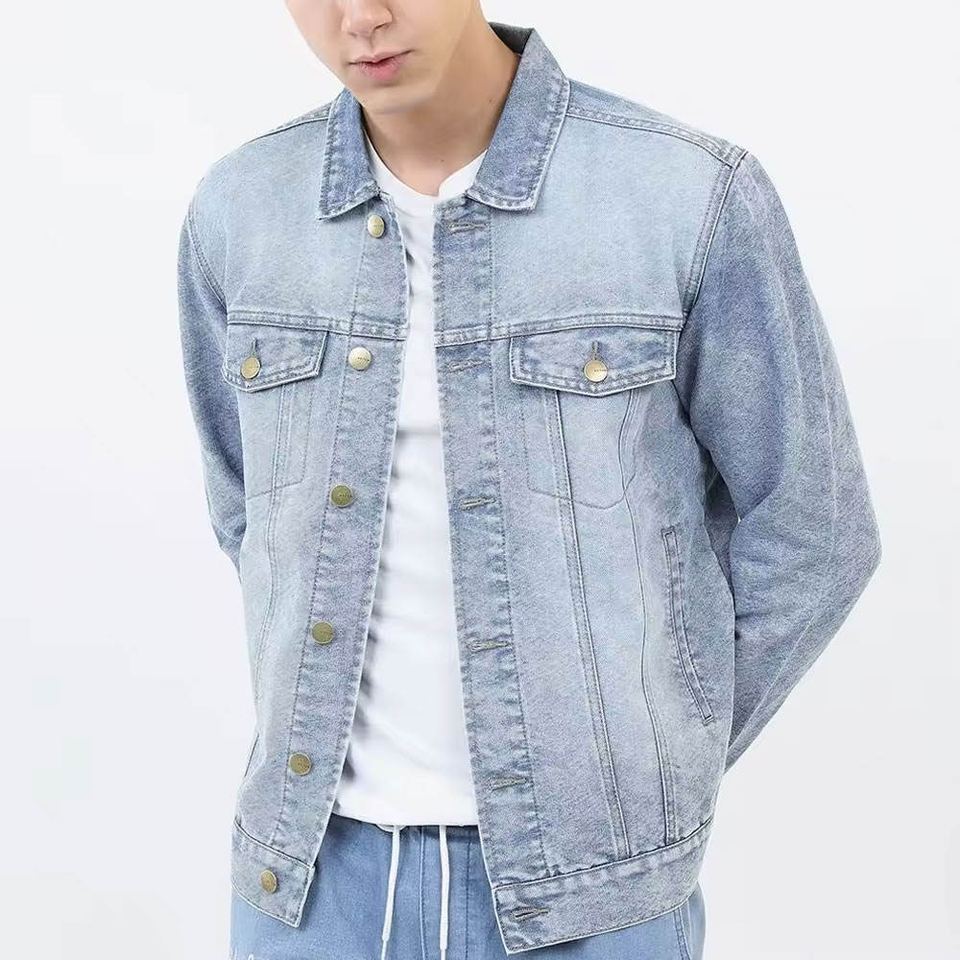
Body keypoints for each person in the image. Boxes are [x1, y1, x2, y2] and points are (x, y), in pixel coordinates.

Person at [177, 4, 882, 959]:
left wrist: (654, 761)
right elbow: (248, 516)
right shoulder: (240, 208)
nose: (362, 17)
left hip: (597, 900)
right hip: (306, 884)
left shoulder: (686, 195)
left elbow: (815, 534)